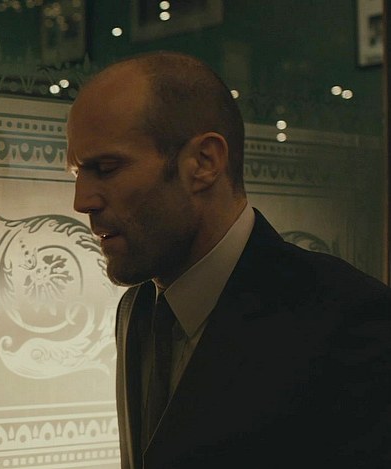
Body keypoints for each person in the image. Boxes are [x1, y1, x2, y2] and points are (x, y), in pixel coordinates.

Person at [67, 51, 391, 469]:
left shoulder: (350, 321)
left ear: (204, 162)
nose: (81, 201)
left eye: (107, 168)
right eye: (77, 173)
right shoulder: (137, 307)